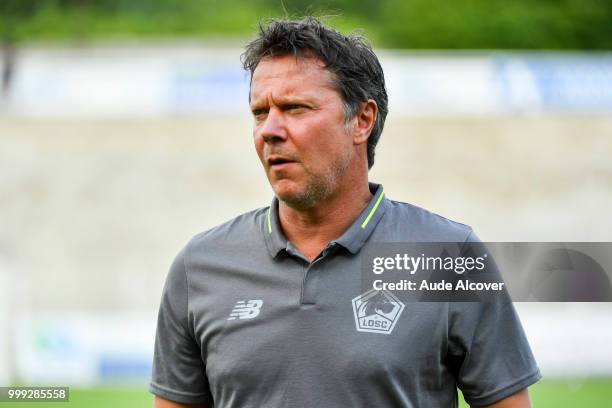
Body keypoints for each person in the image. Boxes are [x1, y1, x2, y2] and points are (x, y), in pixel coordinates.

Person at [150, 17, 541, 408]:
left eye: (295, 108)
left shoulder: (449, 256)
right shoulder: (200, 266)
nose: (269, 129)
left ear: (362, 121)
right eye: (259, 112)